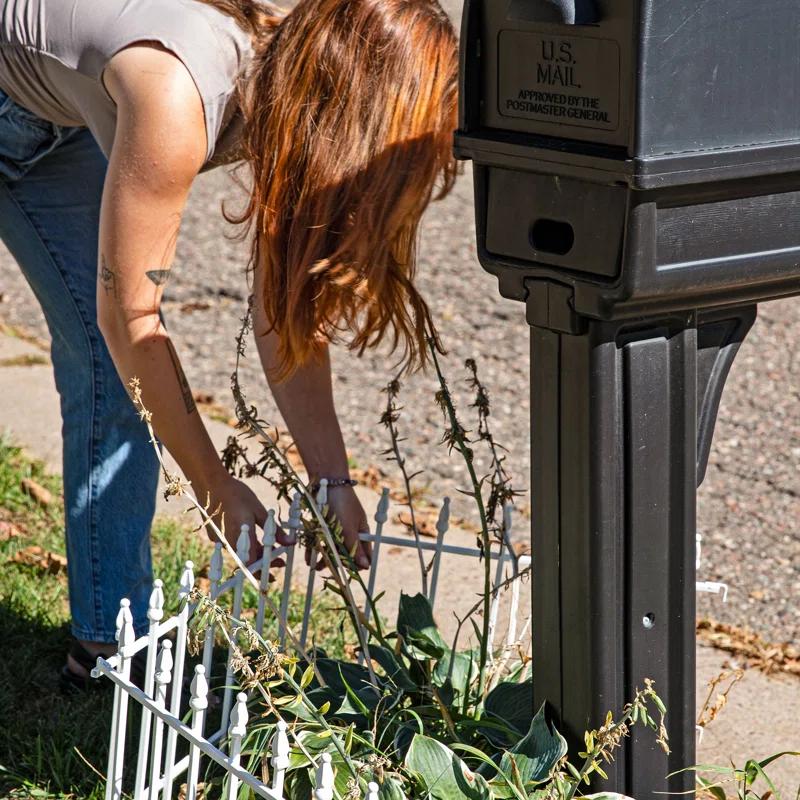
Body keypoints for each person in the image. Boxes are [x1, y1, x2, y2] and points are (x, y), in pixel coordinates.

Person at [0, 0, 458, 689]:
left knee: (113, 374)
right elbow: (132, 319)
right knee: (121, 350)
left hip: (50, 120)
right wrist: (215, 490)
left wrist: (330, 478)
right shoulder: (178, 96)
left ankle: (107, 648)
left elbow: (281, 309)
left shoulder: (286, 81)